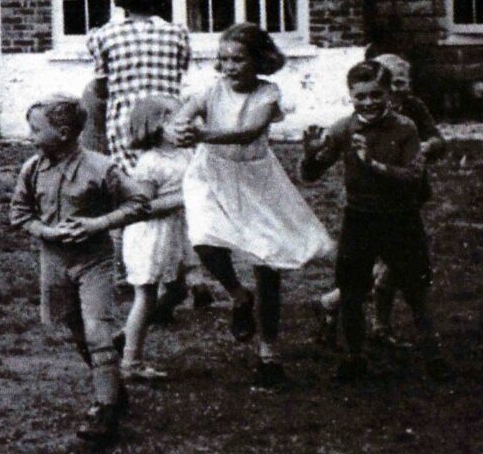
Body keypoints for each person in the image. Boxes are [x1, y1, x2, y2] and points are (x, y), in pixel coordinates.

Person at [170, 23, 333, 388]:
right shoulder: (211, 91)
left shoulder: (268, 93)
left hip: (256, 180)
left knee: (267, 262)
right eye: (224, 59)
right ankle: (237, 294)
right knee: (203, 239)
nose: (230, 67)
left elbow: (250, 131)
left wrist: (203, 134)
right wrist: (179, 128)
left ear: (259, 59)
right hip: (210, 174)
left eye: (239, 59)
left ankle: (268, 353)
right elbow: (184, 113)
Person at [10, 95, 150, 446]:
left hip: (94, 263)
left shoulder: (101, 168)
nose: (30, 136)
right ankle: (114, 391)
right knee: (77, 332)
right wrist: (48, 232)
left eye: (35, 129)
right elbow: (20, 214)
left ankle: (104, 411)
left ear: (64, 133)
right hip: (54, 264)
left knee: (98, 333)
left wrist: (97, 224)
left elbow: (139, 203)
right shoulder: (32, 169)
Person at [301, 61, 447, 385]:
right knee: (352, 292)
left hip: (400, 219)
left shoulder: (405, 127)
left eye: (376, 95)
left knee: (415, 289)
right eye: (360, 96)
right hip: (360, 219)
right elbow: (311, 175)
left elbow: (412, 177)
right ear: (350, 96)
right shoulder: (343, 129)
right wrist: (310, 154)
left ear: (388, 93)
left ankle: (434, 357)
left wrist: (374, 164)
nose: (369, 103)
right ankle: (356, 357)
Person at [117, 96, 201, 381]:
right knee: (146, 296)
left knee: (177, 289)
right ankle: (131, 362)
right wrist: (183, 198)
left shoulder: (184, 154)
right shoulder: (150, 164)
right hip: (150, 236)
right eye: (176, 120)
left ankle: (126, 336)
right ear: (157, 126)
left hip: (174, 233)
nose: (185, 125)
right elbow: (141, 209)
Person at [84, 0, 190, 174]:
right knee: (167, 176)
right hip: (168, 120)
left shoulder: (105, 35)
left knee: (132, 181)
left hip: (125, 124)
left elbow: (102, 88)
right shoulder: (178, 34)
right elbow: (179, 75)